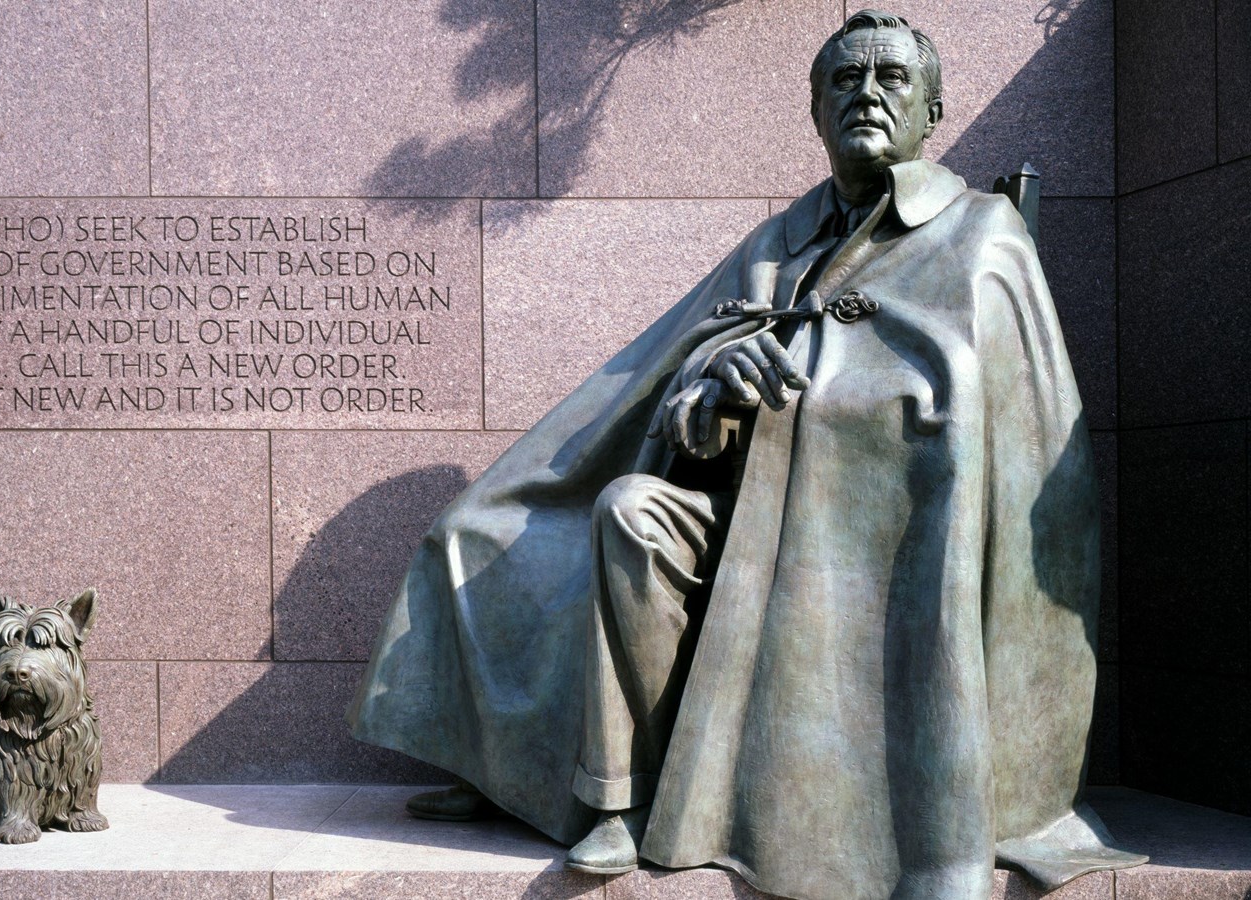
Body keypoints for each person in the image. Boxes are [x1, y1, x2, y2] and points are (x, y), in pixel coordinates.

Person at [348, 10, 1145, 899]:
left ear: (933, 112)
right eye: (844, 81)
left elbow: (1004, 436)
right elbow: (676, 395)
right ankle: (607, 796)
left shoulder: (981, 234)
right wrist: (713, 386)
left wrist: (821, 389)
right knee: (608, 515)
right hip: (741, 517)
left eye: (890, 79)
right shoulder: (779, 239)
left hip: (883, 547)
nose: (867, 94)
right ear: (814, 112)